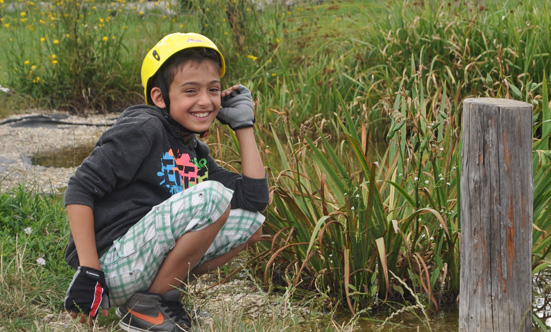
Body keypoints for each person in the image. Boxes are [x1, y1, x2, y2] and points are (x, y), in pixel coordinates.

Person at [63, 32, 269, 332]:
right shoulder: (144, 127)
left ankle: (159, 298)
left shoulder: (194, 151)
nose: (205, 101)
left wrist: (244, 126)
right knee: (213, 196)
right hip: (109, 266)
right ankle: (147, 307)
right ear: (160, 97)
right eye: (190, 91)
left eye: (213, 89)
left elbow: (253, 200)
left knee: (252, 223)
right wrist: (89, 271)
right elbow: (80, 188)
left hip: (142, 264)